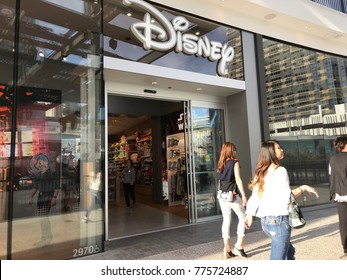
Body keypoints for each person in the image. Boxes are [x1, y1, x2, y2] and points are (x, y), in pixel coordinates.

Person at [244, 140, 319, 260]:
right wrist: (303, 187)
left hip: (266, 223)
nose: (282, 150)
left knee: (289, 253)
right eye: (279, 148)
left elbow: (255, 196)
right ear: (271, 152)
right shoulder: (280, 171)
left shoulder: (261, 172)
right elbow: (287, 196)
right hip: (279, 221)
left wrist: (249, 215)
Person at [216, 142, 248, 259]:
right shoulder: (234, 163)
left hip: (222, 196)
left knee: (226, 220)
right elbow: (238, 180)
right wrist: (244, 196)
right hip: (232, 196)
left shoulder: (221, 163)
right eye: (234, 149)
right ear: (231, 150)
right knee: (244, 218)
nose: (235, 151)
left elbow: (220, 181)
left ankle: (227, 248)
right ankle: (239, 246)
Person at [29, 153, 60, 247]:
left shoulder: (52, 173)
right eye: (38, 162)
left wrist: (54, 198)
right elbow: (35, 186)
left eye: (40, 162)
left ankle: (46, 238)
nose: (39, 164)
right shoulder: (38, 174)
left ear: (46, 162)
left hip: (48, 197)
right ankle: (46, 237)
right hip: (40, 197)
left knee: (44, 218)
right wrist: (31, 196)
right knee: (42, 218)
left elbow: (57, 187)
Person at [329, 136, 347, 258]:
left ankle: (345, 247)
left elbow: (331, 175)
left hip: (339, 195)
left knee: (343, 221)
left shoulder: (332, 159)